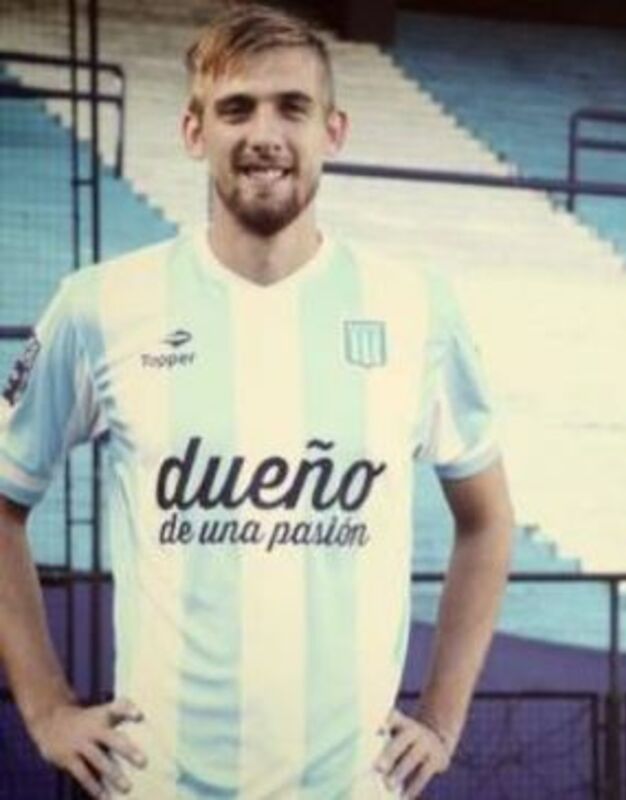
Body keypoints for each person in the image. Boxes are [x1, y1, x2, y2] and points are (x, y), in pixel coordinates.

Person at [0, 4, 514, 797]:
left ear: (333, 132)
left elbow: (487, 521)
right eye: (236, 108)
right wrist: (45, 708)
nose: (264, 134)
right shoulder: (101, 305)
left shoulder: (418, 311)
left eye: (292, 108)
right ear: (194, 131)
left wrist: (442, 719)